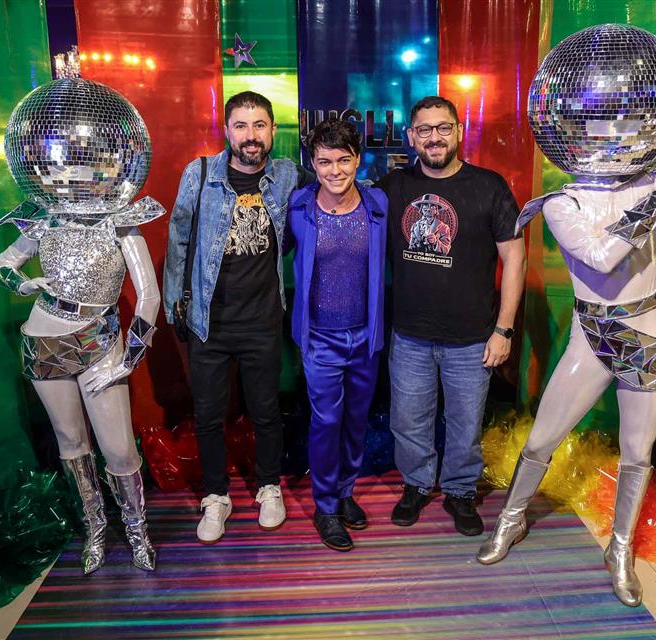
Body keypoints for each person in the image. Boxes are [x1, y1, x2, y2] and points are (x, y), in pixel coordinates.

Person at [477, 29, 656, 608]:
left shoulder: (647, 182)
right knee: (543, 438)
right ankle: (510, 522)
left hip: (645, 334)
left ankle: (619, 549)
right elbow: (600, 257)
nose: (613, 137)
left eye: (624, 126)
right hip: (592, 336)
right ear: (577, 133)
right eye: (600, 127)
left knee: (638, 453)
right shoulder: (562, 203)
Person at [0, 76, 161, 574]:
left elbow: (150, 295)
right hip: (43, 337)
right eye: (67, 160)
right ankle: (95, 528)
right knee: (71, 445)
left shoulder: (120, 221)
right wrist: (24, 284)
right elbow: (3, 263)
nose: (77, 170)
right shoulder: (42, 219)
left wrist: (130, 358)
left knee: (119, 448)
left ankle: (137, 529)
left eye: (89, 160)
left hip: (99, 338)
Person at [164, 91, 313, 543]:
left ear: (273, 130)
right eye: (242, 126)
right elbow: (178, 239)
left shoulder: (287, 175)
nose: (251, 135)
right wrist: (174, 307)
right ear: (227, 130)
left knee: (266, 411)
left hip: (262, 320)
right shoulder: (201, 174)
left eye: (260, 125)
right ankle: (216, 496)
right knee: (209, 415)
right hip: (209, 320)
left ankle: (269, 486)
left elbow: (334, 184)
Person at [376, 96, 527, 536]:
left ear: (459, 132)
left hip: (472, 338)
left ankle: (460, 491)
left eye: (443, 128)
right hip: (410, 335)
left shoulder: (489, 186)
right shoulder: (392, 188)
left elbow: (515, 260)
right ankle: (417, 484)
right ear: (411, 137)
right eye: (424, 129)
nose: (434, 137)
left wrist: (504, 329)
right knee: (408, 421)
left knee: (465, 424)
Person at [286, 119, 388, 551]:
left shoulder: (377, 203)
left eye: (343, 160)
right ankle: (325, 506)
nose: (335, 170)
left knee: (356, 420)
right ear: (313, 163)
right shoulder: (298, 207)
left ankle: (346, 492)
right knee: (327, 422)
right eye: (325, 161)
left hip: (366, 336)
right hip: (320, 339)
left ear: (357, 160)